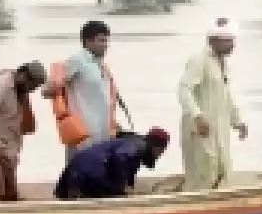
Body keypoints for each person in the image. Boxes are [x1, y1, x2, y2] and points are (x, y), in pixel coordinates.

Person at [178, 17, 248, 191]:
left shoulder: (222, 63)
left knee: (223, 170)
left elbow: (226, 96)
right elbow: (183, 90)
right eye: (228, 40)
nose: (233, 45)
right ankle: (195, 212)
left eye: (233, 40)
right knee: (203, 173)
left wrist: (238, 121)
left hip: (219, 130)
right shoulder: (199, 60)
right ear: (213, 40)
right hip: (200, 130)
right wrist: (198, 116)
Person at [45, 20, 120, 157]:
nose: (106, 46)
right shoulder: (77, 61)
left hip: (102, 132)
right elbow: (48, 90)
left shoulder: (100, 65)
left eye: (106, 41)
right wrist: (54, 86)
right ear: (87, 41)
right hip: (83, 133)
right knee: (78, 173)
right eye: (101, 41)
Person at [0, 61, 48, 201]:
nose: (33, 90)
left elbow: (27, 126)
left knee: (11, 194)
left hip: (9, 149)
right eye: (32, 85)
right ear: (22, 75)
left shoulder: (21, 90)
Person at [53, 128, 171, 200]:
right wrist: (120, 187)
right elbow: (121, 157)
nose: (160, 155)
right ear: (157, 148)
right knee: (118, 197)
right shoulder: (139, 146)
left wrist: (126, 186)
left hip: (76, 168)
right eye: (162, 151)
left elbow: (127, 165)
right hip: (90, 172)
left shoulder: (132, 143)